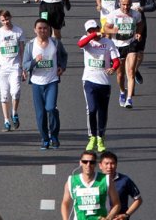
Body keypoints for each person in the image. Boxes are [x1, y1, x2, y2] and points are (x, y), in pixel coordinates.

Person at [78, 19, 121, 152]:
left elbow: (116, 61)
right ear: (87, 32)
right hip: (89, 80)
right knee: (91, 109)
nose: (93, 32)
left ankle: (100, 137)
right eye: (90, 30)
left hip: (104, 82)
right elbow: (80, 44)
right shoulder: (86, 40)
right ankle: (92, 137)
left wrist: (113, 69)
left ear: (98, 28)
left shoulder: (108, 43)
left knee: (102, 111)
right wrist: (93, 36)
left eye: (95, 29)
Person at [24, 18, 68, 150]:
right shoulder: (30, 45)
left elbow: (64, 56)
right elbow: (25, 65)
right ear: (35, 30)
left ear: (49, 29)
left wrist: (62, 67)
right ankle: (45, 139)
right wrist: (34, 62)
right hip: (37, 83)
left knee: (50, 108)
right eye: (40, 28)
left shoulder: (55, 43)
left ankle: (54, 135)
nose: (43, 31)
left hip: (52, 81)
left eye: (45, 28)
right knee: (40, 113)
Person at [0, 9, 25, 131]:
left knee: (15, 92)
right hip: (2, 68)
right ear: (0, 21)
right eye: (3, 20)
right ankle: (6, 120)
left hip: (15, 66)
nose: (6, 22)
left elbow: (22, 51)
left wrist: (23, 68)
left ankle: (14, 113)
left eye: (7, 19)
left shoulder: (18, 31)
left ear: (11, 17)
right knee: (4, 95)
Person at [61, 149, 113, 220]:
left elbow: (117, 204)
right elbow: (65, 203)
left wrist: (108, 218)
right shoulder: (71, 181)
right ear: (80, 163)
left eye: (91, 162)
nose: (88, 165)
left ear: (95, 164)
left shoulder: (106, 179)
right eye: (85, 162)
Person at [98, 150, 142, 220]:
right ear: (100, 165)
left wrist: (126, 215)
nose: (109, 167)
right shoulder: (95, 181)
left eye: (112, 163)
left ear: (116, 164)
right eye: (106, 163)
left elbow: (138, 199)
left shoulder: (125, 180)